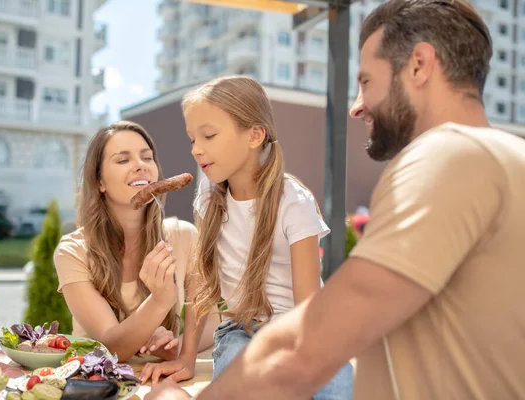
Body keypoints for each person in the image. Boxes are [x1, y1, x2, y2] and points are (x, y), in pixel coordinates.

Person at [146, 0, 525, 399]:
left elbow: (309, 342)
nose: (357, 106)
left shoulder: (450, 157)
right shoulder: (507, 159)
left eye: (366, 82)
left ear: (419, 65)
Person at [140, 76, 354, 399]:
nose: (196, 149)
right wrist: (187, 357)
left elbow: (308, 309)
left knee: (335, 388)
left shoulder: (293, 202)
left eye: (209, 135)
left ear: (255, 135)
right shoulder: (209, 197)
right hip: (240, 331)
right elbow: (200, 281)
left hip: (305, 330)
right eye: (192, 139)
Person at [53, 121, 219, 362]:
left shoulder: (184, 236)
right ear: (99, 182)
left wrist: (176, 347)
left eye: (147, 158)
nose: (141, 166)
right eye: (123, 160)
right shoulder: (73, 251)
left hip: (164, 379)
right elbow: (111, 346)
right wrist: (160, 301)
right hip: (102, 384)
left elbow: (212, 320)